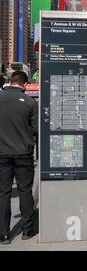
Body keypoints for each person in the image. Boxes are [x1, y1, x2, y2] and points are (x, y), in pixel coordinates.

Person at [0, 71, 38, 244]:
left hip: (1, 154)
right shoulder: (30, 103)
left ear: (10, 82)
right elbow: (36, 129)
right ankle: (27, 230)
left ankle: (4, 234)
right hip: (23, 153)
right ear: (24, 84)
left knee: (3, 193)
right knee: (25, 191)